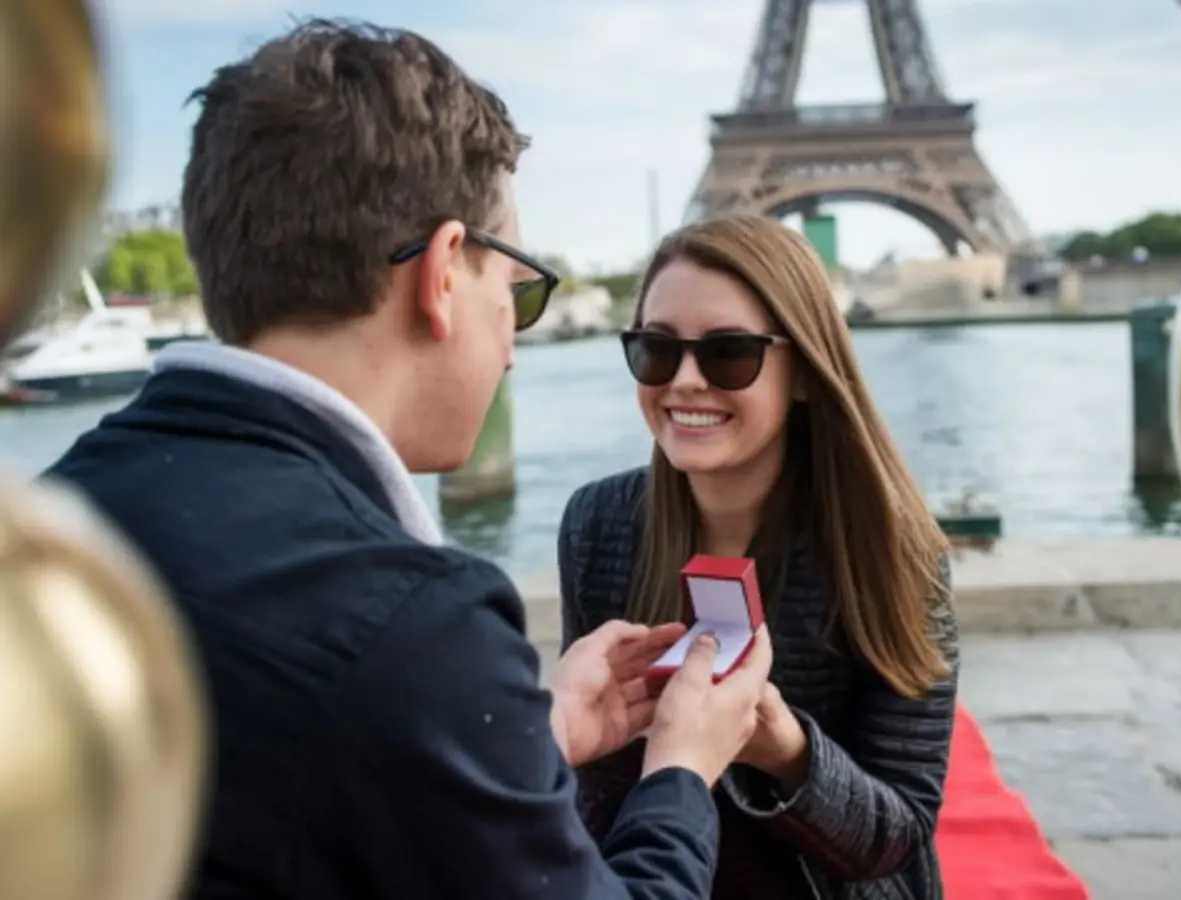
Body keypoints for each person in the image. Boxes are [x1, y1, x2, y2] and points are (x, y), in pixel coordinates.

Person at [41, 20, 775, 900]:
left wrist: (524, 738)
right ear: (442, 273)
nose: (511, 347)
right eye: (516, 293)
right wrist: (681, 773)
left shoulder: (57, 517)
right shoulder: (416, 623)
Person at [558, 214, 960, 900]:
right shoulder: (596, 526)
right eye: (656, 349)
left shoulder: (893, 550)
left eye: (729, 353)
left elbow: (897, 835)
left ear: (803, 371)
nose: (684, 380)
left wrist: (785, 750)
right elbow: (591, 799)